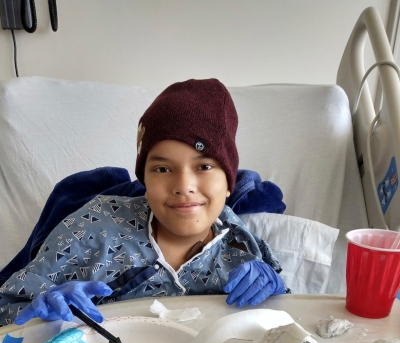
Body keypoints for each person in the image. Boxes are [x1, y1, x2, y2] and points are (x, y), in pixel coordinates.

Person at [0, 78, 288, 328]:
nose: (183, 186)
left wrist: (277, 294)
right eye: (163, 169)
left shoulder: (242, 250)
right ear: (145, 183)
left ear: (228, 184)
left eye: (204, 167)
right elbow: (5, 310)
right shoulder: (93, 229)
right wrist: (41, 311)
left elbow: (287, 331)